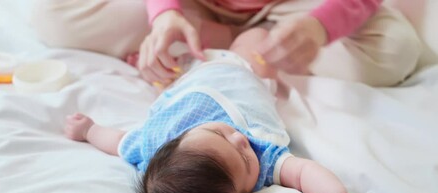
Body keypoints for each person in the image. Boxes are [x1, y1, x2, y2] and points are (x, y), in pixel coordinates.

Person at [64, 28, 369, 193]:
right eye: (245, 160)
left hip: (190, 79)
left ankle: (202, 40)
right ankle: (238, 34)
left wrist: (90, 130)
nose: (240, 139)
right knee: (259, 40)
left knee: (166, 61)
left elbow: (118, 141)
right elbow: (304, 173)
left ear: (178, 140)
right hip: (244, 70)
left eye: (219, 134)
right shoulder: (265, 155)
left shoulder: (154, 142)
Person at [32, 0, 421, 87]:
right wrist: (164, 12)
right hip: (195, 4)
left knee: (395, 50)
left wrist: (320, 28)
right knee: (54, 14)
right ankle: (227, 36)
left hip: (298, 7)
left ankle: (268, 35)